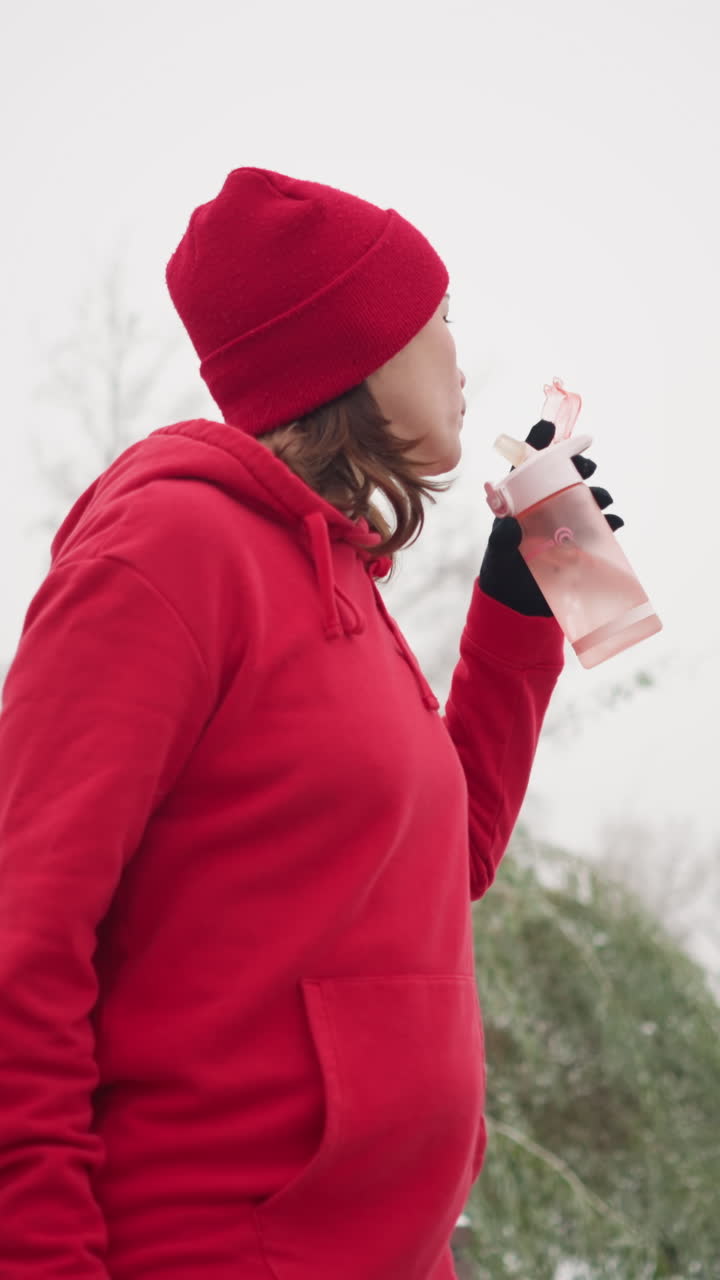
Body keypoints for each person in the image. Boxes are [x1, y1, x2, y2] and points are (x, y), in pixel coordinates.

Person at [0, 167, 621, 1279]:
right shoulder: (170, 555)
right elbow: (21, 938)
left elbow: (444, 857)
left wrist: (521, 605)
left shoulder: (337, 579)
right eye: (438, 317)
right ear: (357, 350)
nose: (461, 359)